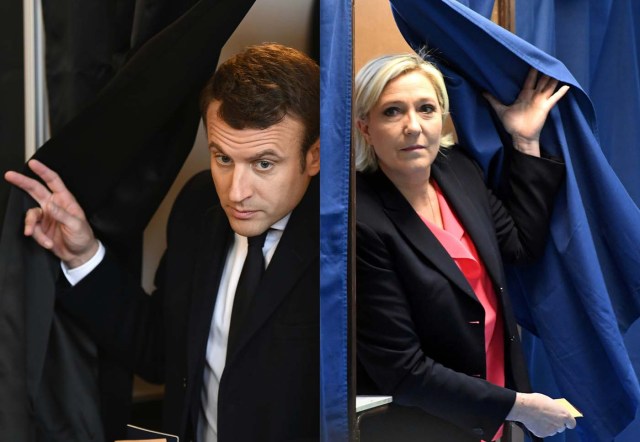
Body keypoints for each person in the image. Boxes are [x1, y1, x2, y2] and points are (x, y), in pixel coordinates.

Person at [4, 43, 320, 442]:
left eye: (263, 164)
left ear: (314, 156)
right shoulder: (198, 206)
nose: (237, 192)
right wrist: (83, 254)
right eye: (223, 158)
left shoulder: (343, 239)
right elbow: (162, 353)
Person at [353, 53, 576, 442]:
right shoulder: (361, 220)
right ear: (365, 128)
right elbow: (403, 370)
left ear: (442, 116)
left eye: (426, 108)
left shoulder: (458, 170)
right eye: (392, 112)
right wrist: (519, 407)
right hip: (423, 425)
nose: (413, 126)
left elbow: (519, 246)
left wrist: (524, 140)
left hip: (491, 411)